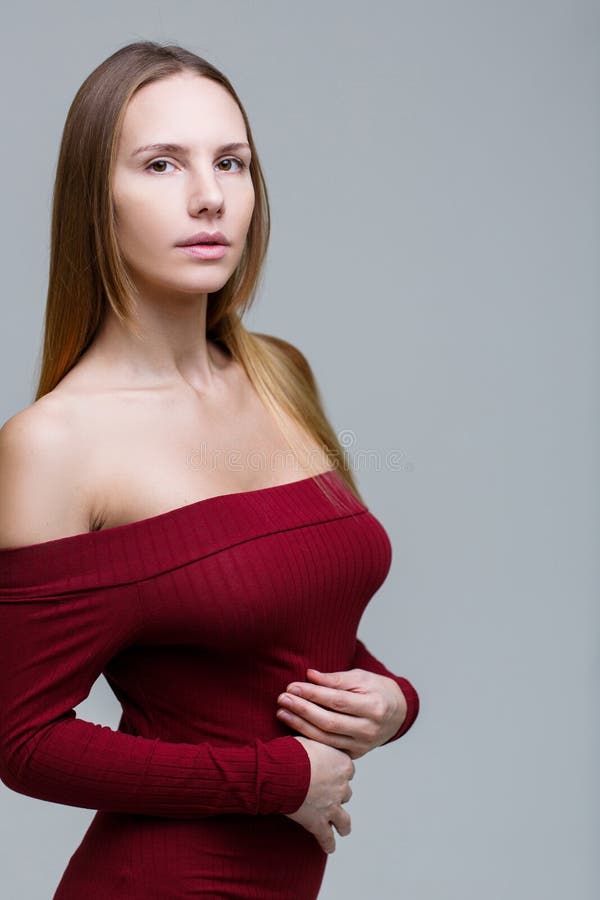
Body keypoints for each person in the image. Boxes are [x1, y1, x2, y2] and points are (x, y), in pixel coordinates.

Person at [0, 41, 420, 899]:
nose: (209, 196)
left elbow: (281, 627)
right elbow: (20, 739)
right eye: (161, 164)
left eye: (233, 162)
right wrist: (276, 780)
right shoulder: (53, 444)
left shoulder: (279, 374)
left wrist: (393, 701)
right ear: (95, 200)